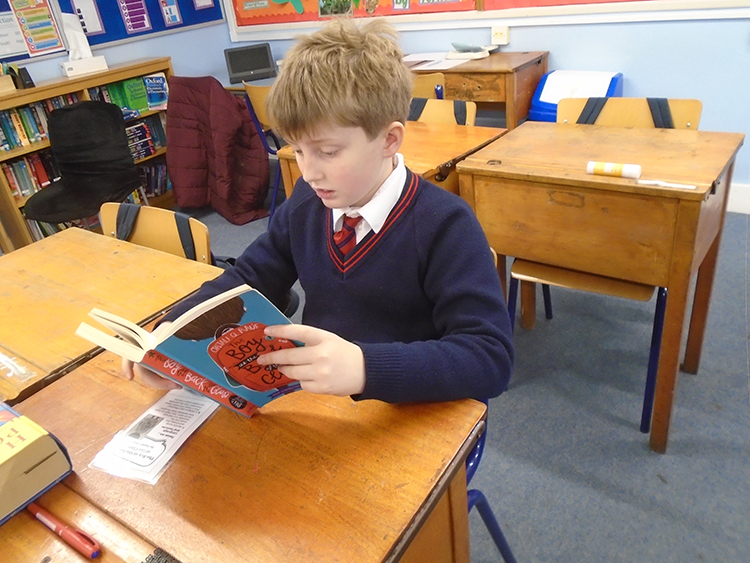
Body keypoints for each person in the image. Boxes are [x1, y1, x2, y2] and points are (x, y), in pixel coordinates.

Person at [123, 17, 514, 404]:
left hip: (410, 409)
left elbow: (489, 358)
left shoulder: (445, 224)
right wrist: (172, 331)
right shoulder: (307, 204)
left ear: (389, 140)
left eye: (327, 152)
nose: (308, 172)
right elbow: (250, 277)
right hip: (324, 403)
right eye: (297, 150)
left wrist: (365, 367)